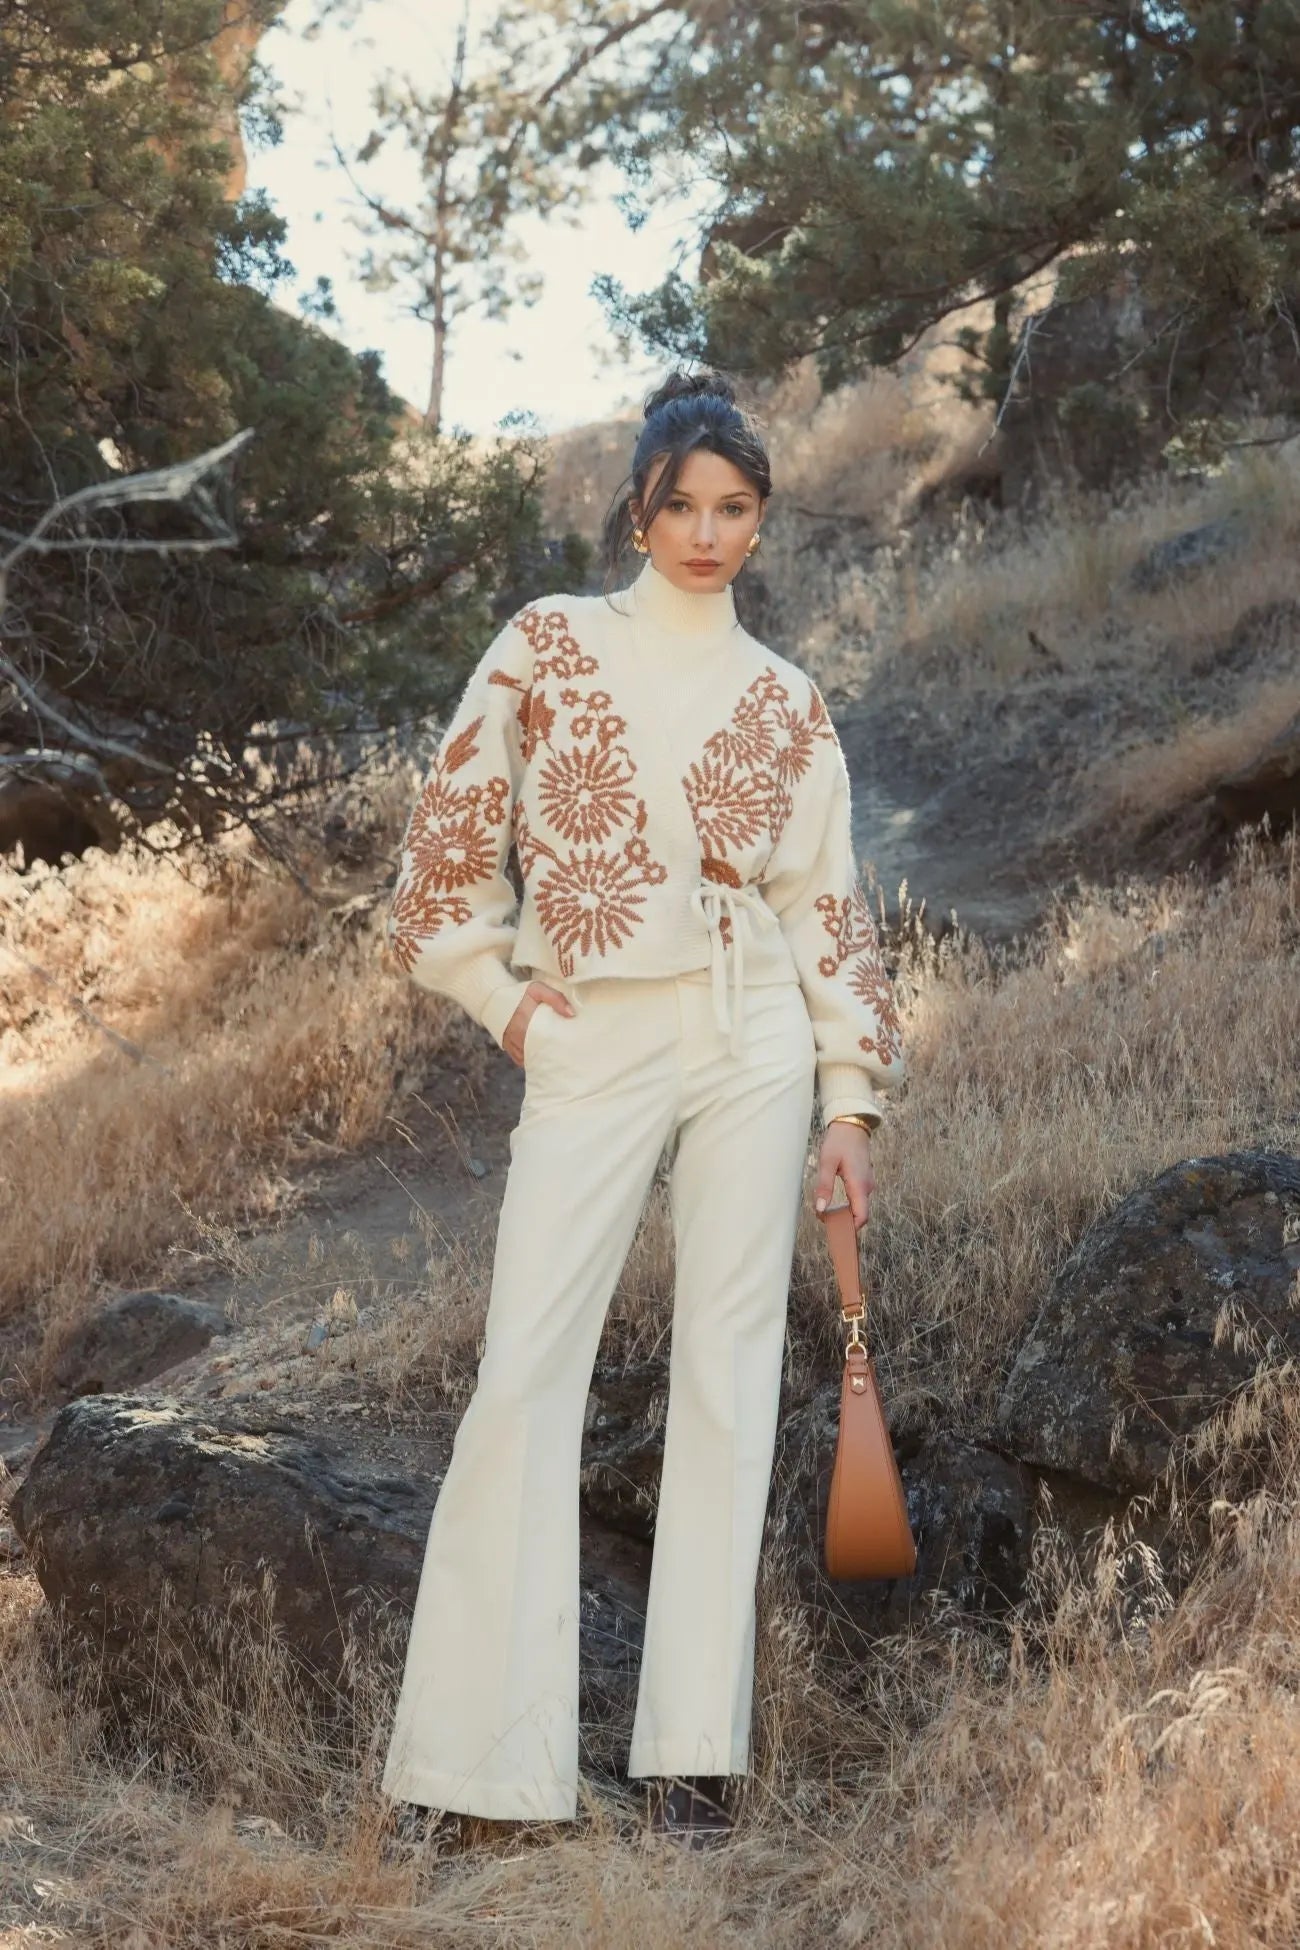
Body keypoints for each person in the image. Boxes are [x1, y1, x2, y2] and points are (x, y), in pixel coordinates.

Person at [378, 368, 905, 1847]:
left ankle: (692, 1760)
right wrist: (503, 1002)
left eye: (735, 508)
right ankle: (475, 1767)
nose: (707, 533)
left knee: (730, 1373)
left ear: (761, 522)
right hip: (592, 1033)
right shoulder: (547, 643)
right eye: (682, 505)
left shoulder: (789, 702)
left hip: (754, 1034)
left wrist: (849, 1100)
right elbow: (445, 849)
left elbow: (828, 904)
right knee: (524, 1369)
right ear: (638, 512)